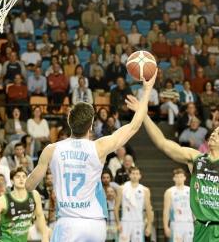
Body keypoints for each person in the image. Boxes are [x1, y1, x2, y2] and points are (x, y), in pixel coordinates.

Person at [25, 70, 157, 241]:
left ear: (68, 121)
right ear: (91, 126)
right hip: (95, 224)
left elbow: (28, 186)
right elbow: (134, 126)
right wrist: (146, 90)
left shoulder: (51, 149)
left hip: (68, 222)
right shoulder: (99, 147)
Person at [125, 95, 219, 241]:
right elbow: (162, 143)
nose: (213, 134)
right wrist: (143, 114)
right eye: (214, 131)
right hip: (201, 228)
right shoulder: (195, 158)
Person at [0, 167, 49, 242]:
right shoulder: (3, 200)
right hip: (5, 239)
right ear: (12, 181)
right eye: (18, 177)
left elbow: (40, 216)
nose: (21, 179)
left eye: (24, 176)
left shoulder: (34, 195)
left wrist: (45, 236)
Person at [114, 167, 153, 242]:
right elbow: (116, 207)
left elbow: (149, 209)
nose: (135, 176)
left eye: (137, 174)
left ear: (140, 176)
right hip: (125, 222)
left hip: (138, 222)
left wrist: (149, 226)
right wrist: (118, 223)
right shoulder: (121, 188)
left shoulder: (145, 190)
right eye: (133, 173)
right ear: (129, 175)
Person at [163, 168, 194, 242]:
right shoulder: (169, 192)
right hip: (176, 224)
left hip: (189, 223)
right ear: (174, 178)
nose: (179, 179)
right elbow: (166, 211)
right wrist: (165, 227)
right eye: (177, 177)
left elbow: (194, 209)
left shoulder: (190, 191)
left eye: (181, 176)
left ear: (184, 178)